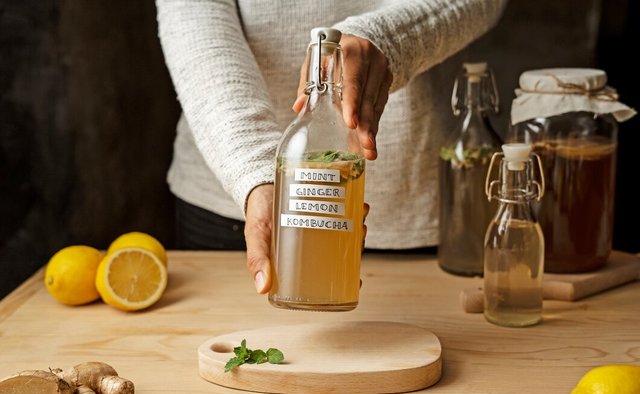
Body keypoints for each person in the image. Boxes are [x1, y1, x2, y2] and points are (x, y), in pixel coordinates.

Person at [155, 0, 508, 294]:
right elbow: (191, 13)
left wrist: (387, 39)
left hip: (417, 205)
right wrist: (257, 171)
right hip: (234, 195)